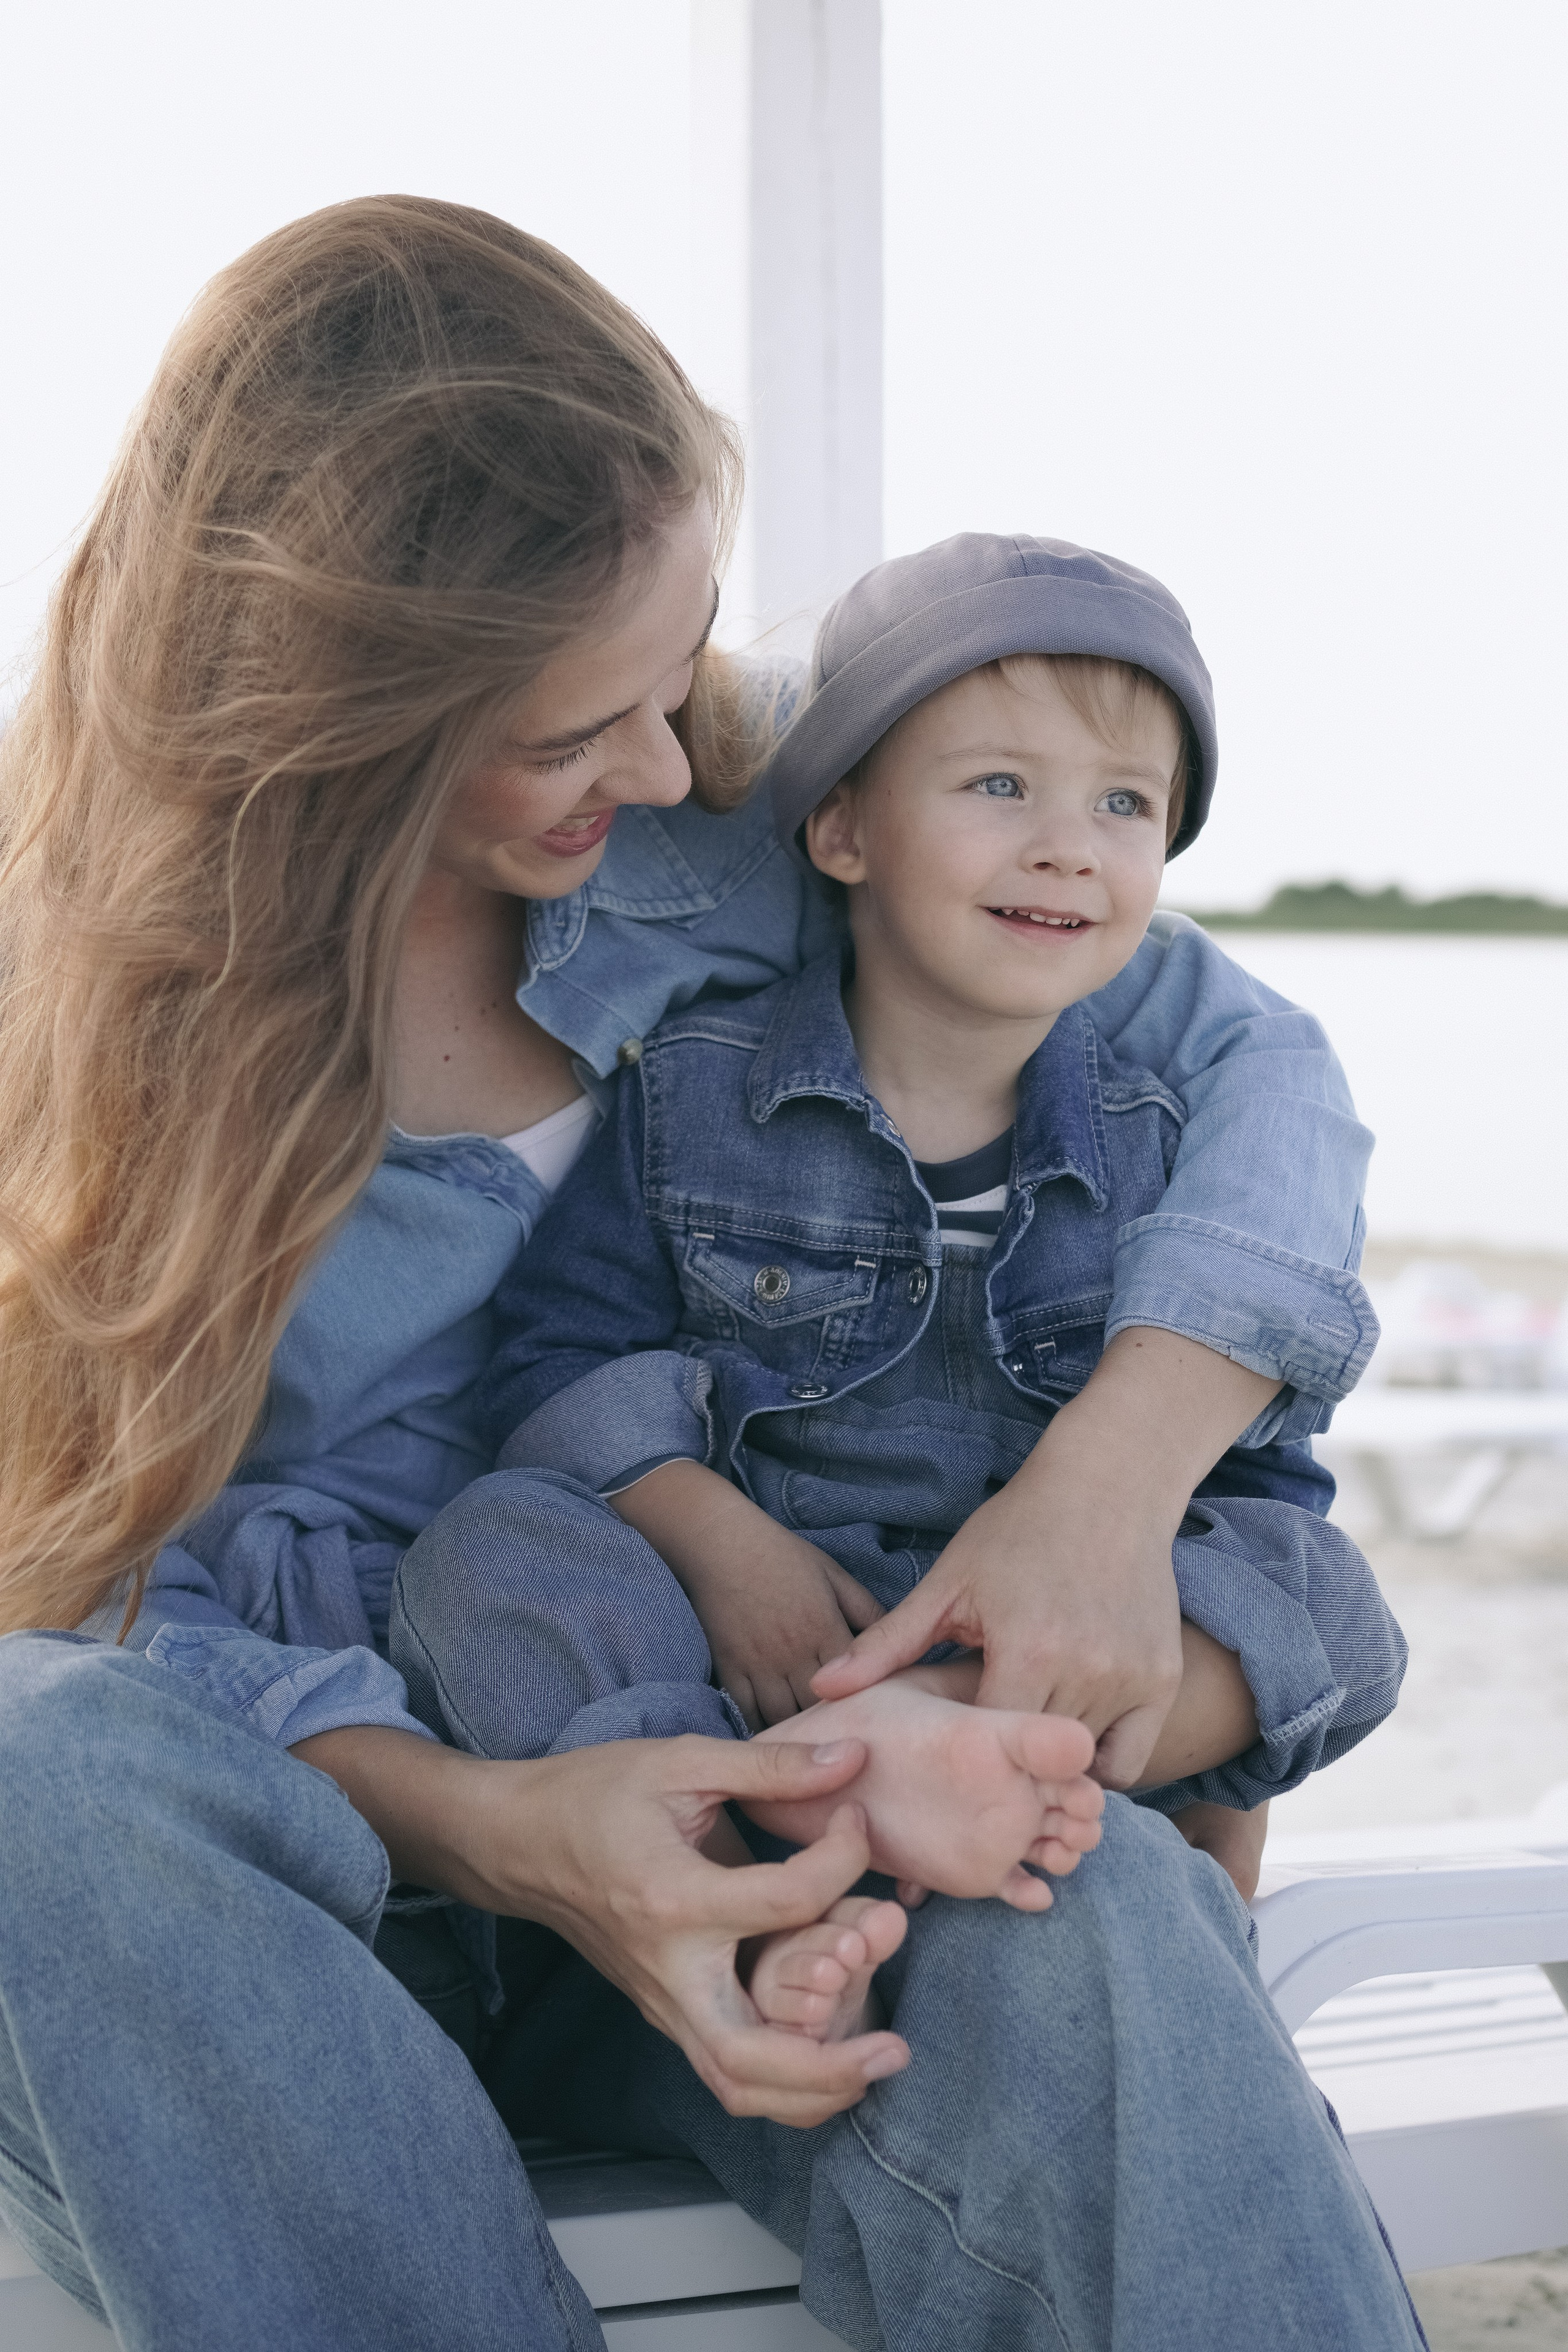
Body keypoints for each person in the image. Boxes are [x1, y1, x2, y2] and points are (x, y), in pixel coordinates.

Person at [0, 198, 1423, 2350]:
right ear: (341, 709)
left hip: (745, 1792)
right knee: (39, 1765)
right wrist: (509, 1831)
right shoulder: (66, 994)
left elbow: (1250, 1064)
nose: (670, 763)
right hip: (291, 1894)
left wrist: (1108, 1483)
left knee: (1098, 1910)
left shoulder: (751, 830)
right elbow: (73, 1585)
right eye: (576, 728)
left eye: (674, 674)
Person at [392, 536, 1408, 2037]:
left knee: (1335, 1599)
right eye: (999, 786)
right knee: (489, 1552)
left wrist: (1221, 1807)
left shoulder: (1162, 1144)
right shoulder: (692, 1090)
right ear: (844, 829)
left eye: (1123, 805)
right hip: (757, 1650)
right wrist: (725, 1552)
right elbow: (552, 1365)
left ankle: (921, 1749)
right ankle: (744, 1863)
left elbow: (1251, 1485)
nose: (1067, 847)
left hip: (1024, 1665)